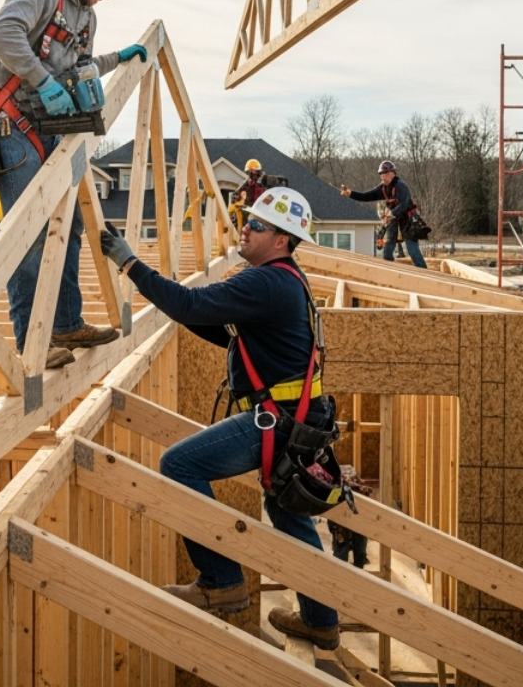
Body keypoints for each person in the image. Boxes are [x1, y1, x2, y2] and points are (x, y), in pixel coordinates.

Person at [99, 187, 342, 650]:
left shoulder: (264, 282)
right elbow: (214, 324)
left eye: (257, 225)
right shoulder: (286, 280)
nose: (245, 228)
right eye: (248, 219)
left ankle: (221, 582)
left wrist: (131, 265)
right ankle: (320, 621)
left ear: (281, 240)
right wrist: (174, 300)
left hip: (278, 421)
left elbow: (194, 306)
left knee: (179, 465)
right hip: (301, 419)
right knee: (288, 511)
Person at [0, 0, 150, 369]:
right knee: (28, 234)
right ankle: (28, 346)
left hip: (49, 126)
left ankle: (65, 322)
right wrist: (41, 82)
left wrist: (117, 59)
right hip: (10, 125)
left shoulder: (86, 18)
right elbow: (1, 33)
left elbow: (79, 68)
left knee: (68, 225)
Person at [342, 160, 427, 268]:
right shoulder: (382, 189)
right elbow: (365, 196)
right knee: (387, 251)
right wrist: (350, 193)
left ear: (393, 174)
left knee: (412, 250)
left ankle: (424, 272)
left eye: (386, 174)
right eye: (382, 175)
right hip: (394, 221)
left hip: (408, 221)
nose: (383, 177)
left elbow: (405, 204)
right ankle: (392, 273)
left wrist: (392, 213)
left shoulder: (401, 186)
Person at [230, 158, 268, 229]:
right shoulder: (247, 182)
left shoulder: (265, 181)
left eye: (253, 170)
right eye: (250, 170)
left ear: (257, 171)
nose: (251, 172)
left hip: (261, 209)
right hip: (248, 207)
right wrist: (236, 198)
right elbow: (237, 192)